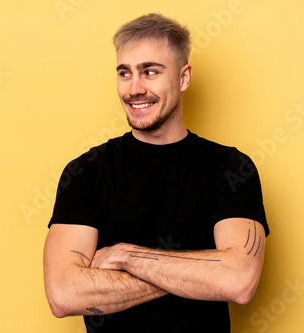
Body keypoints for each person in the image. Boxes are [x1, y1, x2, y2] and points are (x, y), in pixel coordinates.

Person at [43, 13, 270, 333]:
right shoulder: (84, 173)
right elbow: (64, 295)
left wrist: (126, 255)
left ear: (183, 77)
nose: (134, 89)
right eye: (125, 73)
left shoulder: (233, 170)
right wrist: (200, 275)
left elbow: (239, 282)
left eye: (150, 71)